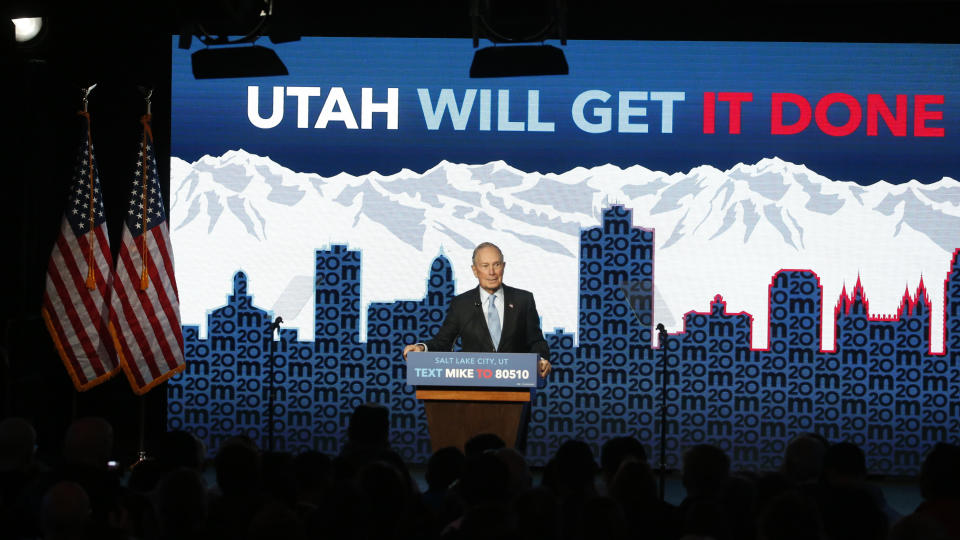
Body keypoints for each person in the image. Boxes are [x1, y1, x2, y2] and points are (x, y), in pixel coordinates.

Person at [403, 242, 551, 379]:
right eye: (485, 266)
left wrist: (541, 360)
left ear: (503, 267)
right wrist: (421, 348)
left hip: (516, 389)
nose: (491, 272)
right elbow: (443, 342)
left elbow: (536, 341)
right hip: (473, 388)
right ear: (475, 270)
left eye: (496, 265)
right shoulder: (461, 304)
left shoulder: (523, 300)